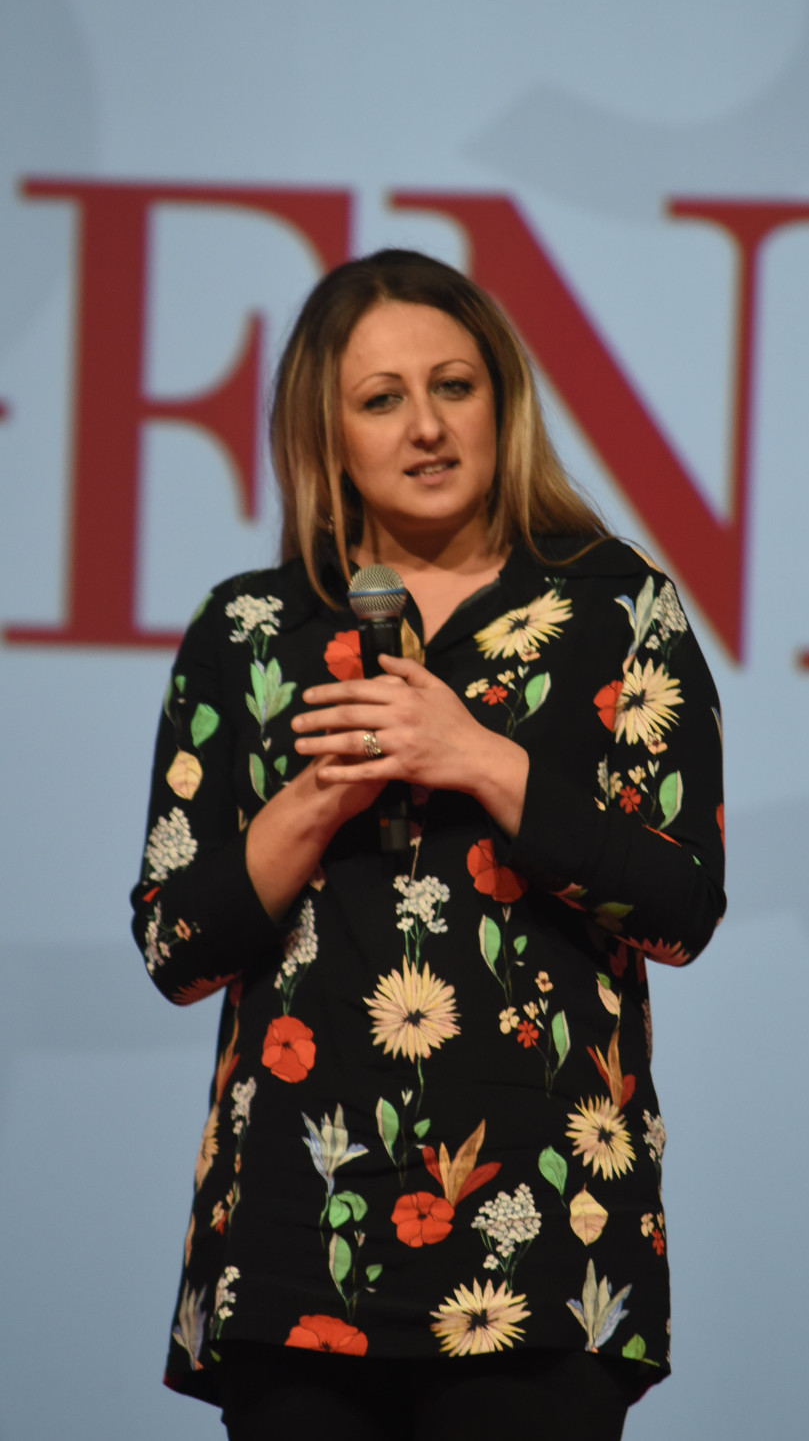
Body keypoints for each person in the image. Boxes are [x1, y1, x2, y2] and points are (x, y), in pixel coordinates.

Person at [131, 248, 726, 1440]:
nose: (427, 428)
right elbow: (174, 947)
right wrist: (318, 796)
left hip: (542, 1237)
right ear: (325, 432)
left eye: (454, 387)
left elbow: (680, 907)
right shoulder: (249, 630)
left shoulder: (617, 608)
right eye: (381, 399)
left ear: (503, 402)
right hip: (295, 1234)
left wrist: (480, 760)